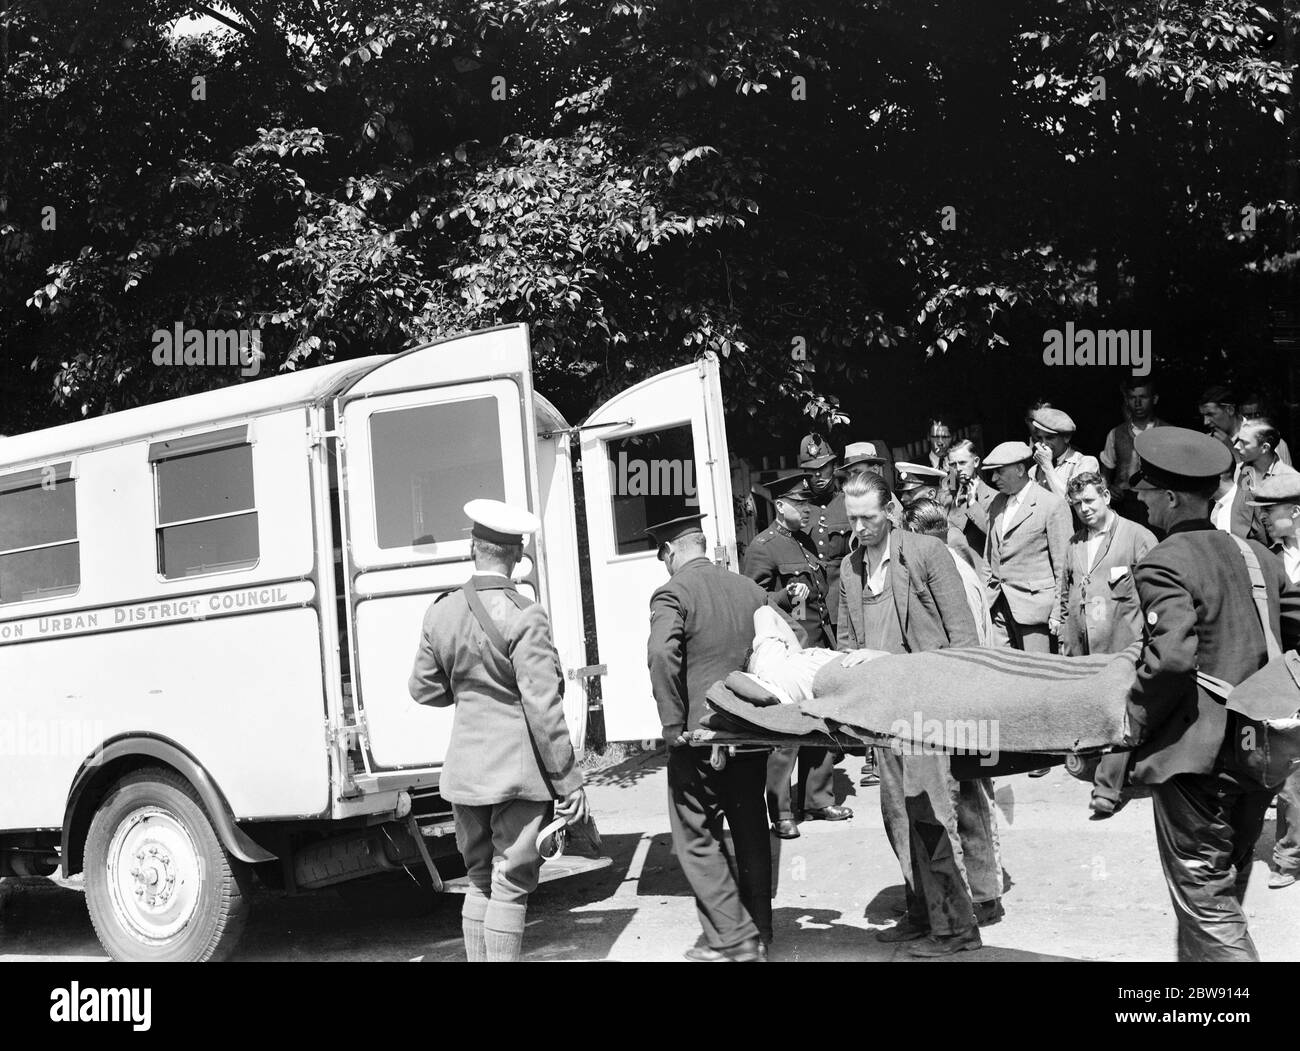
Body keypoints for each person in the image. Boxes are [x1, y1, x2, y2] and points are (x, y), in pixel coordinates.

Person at [1127, 428, 1300, 960]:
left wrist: (1130, 719)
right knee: (1223, 884)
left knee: (1205, 897)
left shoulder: (1165, 560)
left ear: (1173, 497)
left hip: (1195, 759)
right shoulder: (1259, 557)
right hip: (1260, 750)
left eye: (1149, 491)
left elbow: (1172, 659)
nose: (1142, 499)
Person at [408, 499, 587, 963]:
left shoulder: (441, 611)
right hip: (517, 774)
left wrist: (470, 692)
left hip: (466, 773)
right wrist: (569, 783)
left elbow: (423, 691)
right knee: (511, 882)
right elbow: (543, 708)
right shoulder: (525, 614)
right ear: (518, 553)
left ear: (473, 547)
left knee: (480, 877)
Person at [837, 472, 985, 956]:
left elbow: (962, 640)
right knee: (897, 816)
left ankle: (956, 929)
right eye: (853, 517)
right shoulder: (849, 569)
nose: (860, 527)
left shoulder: (925, 554)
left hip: (928, 709)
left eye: (869, 517)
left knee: (932, 815)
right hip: (883, 718)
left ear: (892, 508)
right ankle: (921, 913)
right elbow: (847, 646)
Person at [647, 512, 773, 962]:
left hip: (699, 737)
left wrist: (672, 726)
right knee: (751, 824)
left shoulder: (672, 592)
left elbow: (662, 655)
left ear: (670, 552)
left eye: (662, 556)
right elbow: (785, 643)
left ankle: (734, 938)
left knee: (695, 833)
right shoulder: (749, 589)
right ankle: (760, 929)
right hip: (750, 730)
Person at [902, 497, 1005, 927]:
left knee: (966, 799)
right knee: (968, 795)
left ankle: (979, 896)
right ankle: (982, 893)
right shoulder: (959, 563)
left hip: (963, 693)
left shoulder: (944, 570)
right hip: (972, 690)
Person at [743, 474, 851, 839]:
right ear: (780, 506)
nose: (807, 511)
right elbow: (754, 605)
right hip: (787, 655)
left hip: (816, 645)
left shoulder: (805, 541)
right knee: (786, 734)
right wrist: (788, 596)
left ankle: (817, 799)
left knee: (822, 725)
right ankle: (782, 811)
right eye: (800, 505)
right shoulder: (763, 546)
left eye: (808, 505)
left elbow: (819, 597)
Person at [1058, 472, 1157, 817]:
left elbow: (1157, 594)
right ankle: (1107, 771)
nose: (1083, 509)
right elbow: (1066, 588)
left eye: (1089, 500)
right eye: (1077, 503)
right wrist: (1062, 630)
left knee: (1119, 712)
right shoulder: (1074, 543)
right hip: (1085, 647)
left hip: (1124, 643)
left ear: (1106, 498)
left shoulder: (1137, 537)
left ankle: (1107, 790)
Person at [1243, 474, 1300, 891]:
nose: (1261, 519)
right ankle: (1288, 854)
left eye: (1269, 512)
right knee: (1291, 766)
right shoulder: (1266, 559)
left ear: (1294, 512)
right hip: (1289, 674)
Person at [799, 433, 855, 786]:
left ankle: (858, 740)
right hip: (809, 607)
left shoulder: (849, 501)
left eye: (824, 468)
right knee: (814, 681)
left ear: (835, 467)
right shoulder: (796, 505)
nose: (819, 476)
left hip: (844, 600)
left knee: (851, 672)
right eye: (811, 470)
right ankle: (827, 745)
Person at [981, 441, 1072, 655]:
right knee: (1002, 673)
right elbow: (989, 557)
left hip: (1034, 610)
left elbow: (1063, 566)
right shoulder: (996, 503)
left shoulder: (1051, 505)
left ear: (1020, 469)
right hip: (998, 608)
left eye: (999, 472)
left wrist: (1059, 612)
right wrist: (985, 600)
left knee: (1037, 675)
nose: (994, 479)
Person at [1212, 417, 1300, 543]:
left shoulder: (1288, 480)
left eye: (1244, 443)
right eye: (1238, 440)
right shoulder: (1242, 471)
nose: (1236, 446)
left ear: (1264, 448)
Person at [1101, 377, 1167, 523]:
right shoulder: (1115, 434)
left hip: (1158, 505)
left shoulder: (1168, 433)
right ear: (1127, 401)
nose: (1137, 403)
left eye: (1143, 397)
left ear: (1154, 399)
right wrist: (1109, 490)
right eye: (1132, 398)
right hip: (1124, 506)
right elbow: (1105, 475)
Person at [1201, 385, 1293, 466]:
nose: (1206, 422)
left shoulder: (1270, 442)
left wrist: (1232, 453)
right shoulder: (1206, 443)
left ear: (1230, 410)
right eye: (1203, 416)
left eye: (1210, 414)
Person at [1028, 407, 1101, 504]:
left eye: (1050, 438)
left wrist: (1047, 467)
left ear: (1066, 437)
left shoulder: (1085, 463)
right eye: (1040, 438)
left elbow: (1073, 502)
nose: (1043, 444)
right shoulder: (1035, 471)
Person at [946, 438, 996, 570]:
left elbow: (995, 535)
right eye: (953, 464)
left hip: (979, 574)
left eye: (962, 463)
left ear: (976, 462)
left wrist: (972, 503)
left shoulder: (992, 496)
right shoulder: (950, 495)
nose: (958, 469)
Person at [1238, 392, 1293, 465]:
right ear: (1240, 417)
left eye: (1257, 414)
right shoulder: (1235, 445)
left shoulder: (1280, 444)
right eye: (1248, 415)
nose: (1253, 419)